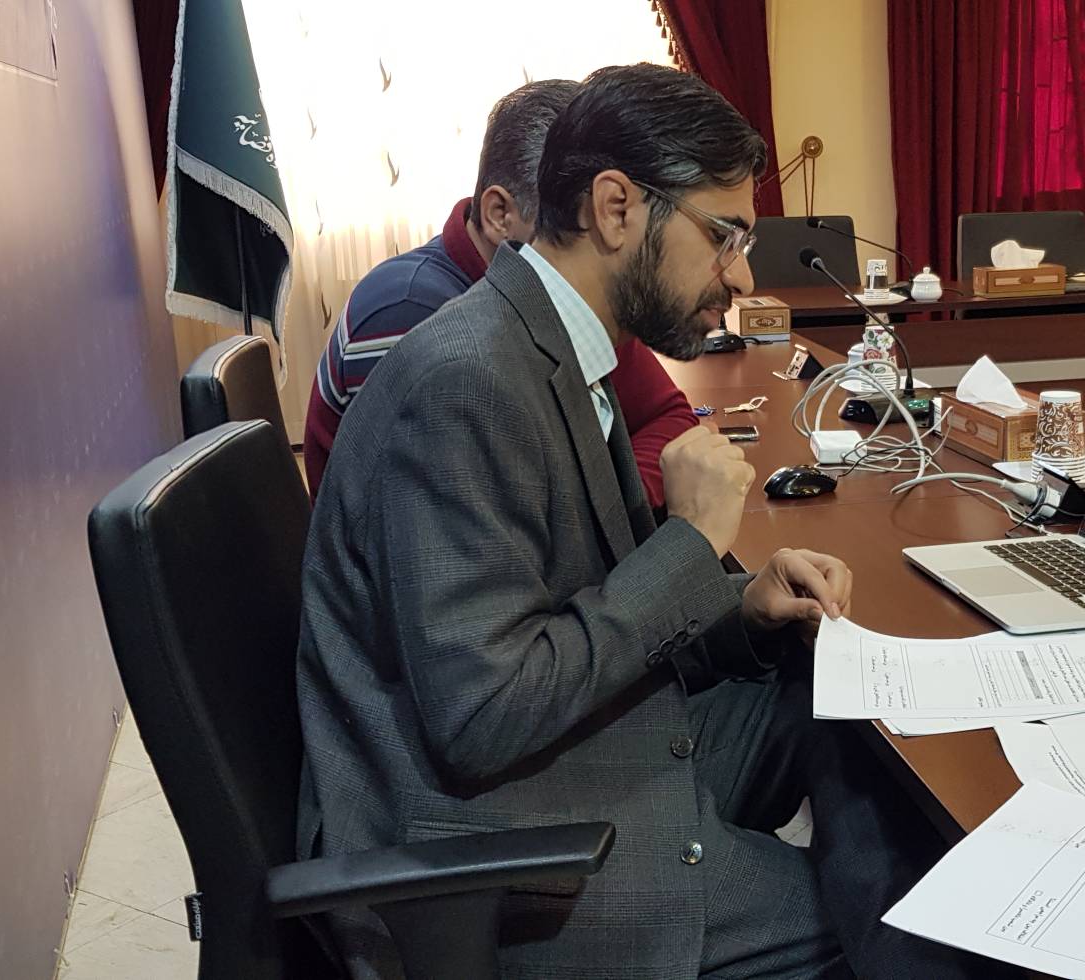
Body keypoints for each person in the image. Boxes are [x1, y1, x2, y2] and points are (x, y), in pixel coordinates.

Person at [295, 64, 1002, 979]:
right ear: (616, 208)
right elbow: (483, 717)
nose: (740, 275)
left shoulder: (547, 345)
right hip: (499, 838)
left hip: (569, 753)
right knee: (900, 931)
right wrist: (690, 543)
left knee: (828, 698)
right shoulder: (467, 384)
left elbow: (578, 612)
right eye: (723, 236)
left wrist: (740, 610)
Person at [301, 78, 697, 502]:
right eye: (576, 224)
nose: (607, 247)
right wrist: (606, 510)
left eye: (618, 217)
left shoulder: (569, 292)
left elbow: (668, 416)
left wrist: (614, 503)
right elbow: (460, 519)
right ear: (499, 215)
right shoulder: (410, 315)